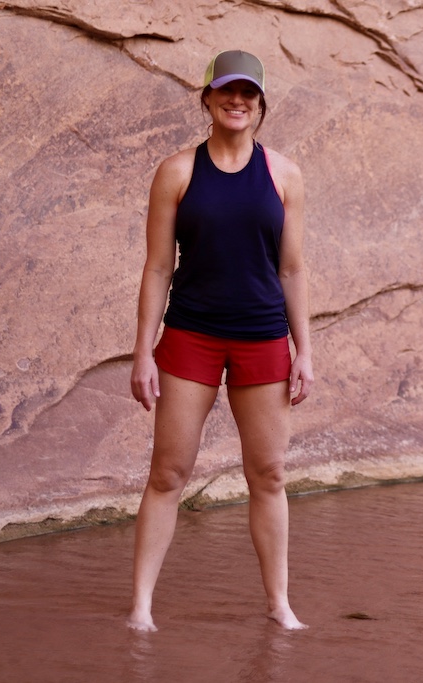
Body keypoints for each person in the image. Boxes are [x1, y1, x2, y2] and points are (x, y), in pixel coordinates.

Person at [127, 50, 313, 632]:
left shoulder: (284, 175)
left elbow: (292, 270)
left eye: (249, 94)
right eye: (226, 91)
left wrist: (305, 349)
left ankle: (278, 604)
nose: (237, 102)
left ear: (261, 105)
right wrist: (142, 350)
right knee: (168, 473)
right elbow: (158, 268)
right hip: (191, 337)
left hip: (262, 339)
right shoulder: (177, 171)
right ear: (206, 98)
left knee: (269, 474)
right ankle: (141, 609)